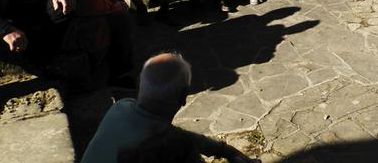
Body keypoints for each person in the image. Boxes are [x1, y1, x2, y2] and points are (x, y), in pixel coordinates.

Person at [81, 53, 255, 163]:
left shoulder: (120, 107)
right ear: (183, 96)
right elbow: (178, 140)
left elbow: (180, 136)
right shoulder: (176, 146)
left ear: (141, 84)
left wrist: (223, 150)